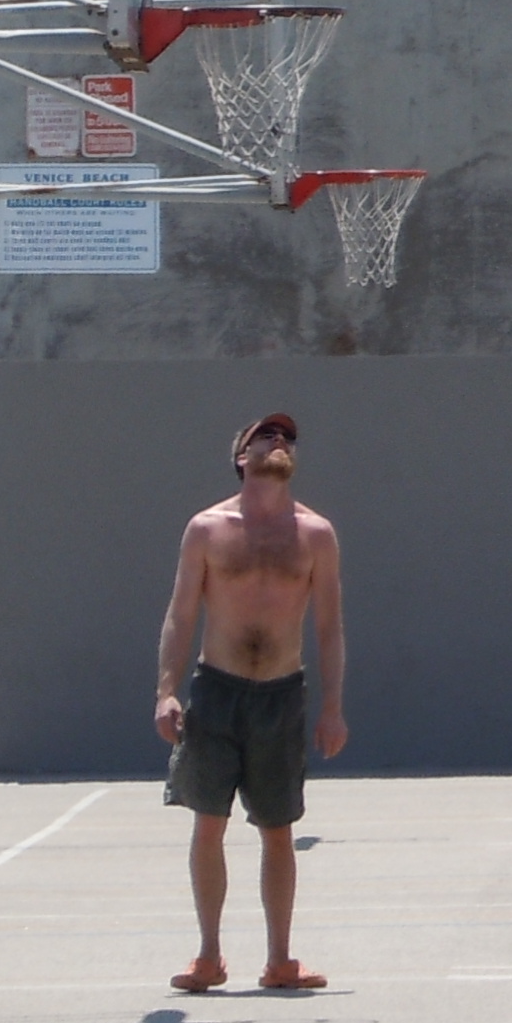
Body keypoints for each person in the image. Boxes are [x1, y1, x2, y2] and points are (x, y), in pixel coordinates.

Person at [155, 412, 347, 993]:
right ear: (242, 455)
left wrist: (333, 707)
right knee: (208, 823)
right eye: (267, 435)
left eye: (288, 437)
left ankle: (280, 960)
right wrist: (166, 690)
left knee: (277, 828)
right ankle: (209, 955)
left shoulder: (316, 534)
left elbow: (331, 626)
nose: (280, 441)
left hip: (282, 696)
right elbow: (181, 613)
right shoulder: (207, 530)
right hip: (217, 691)